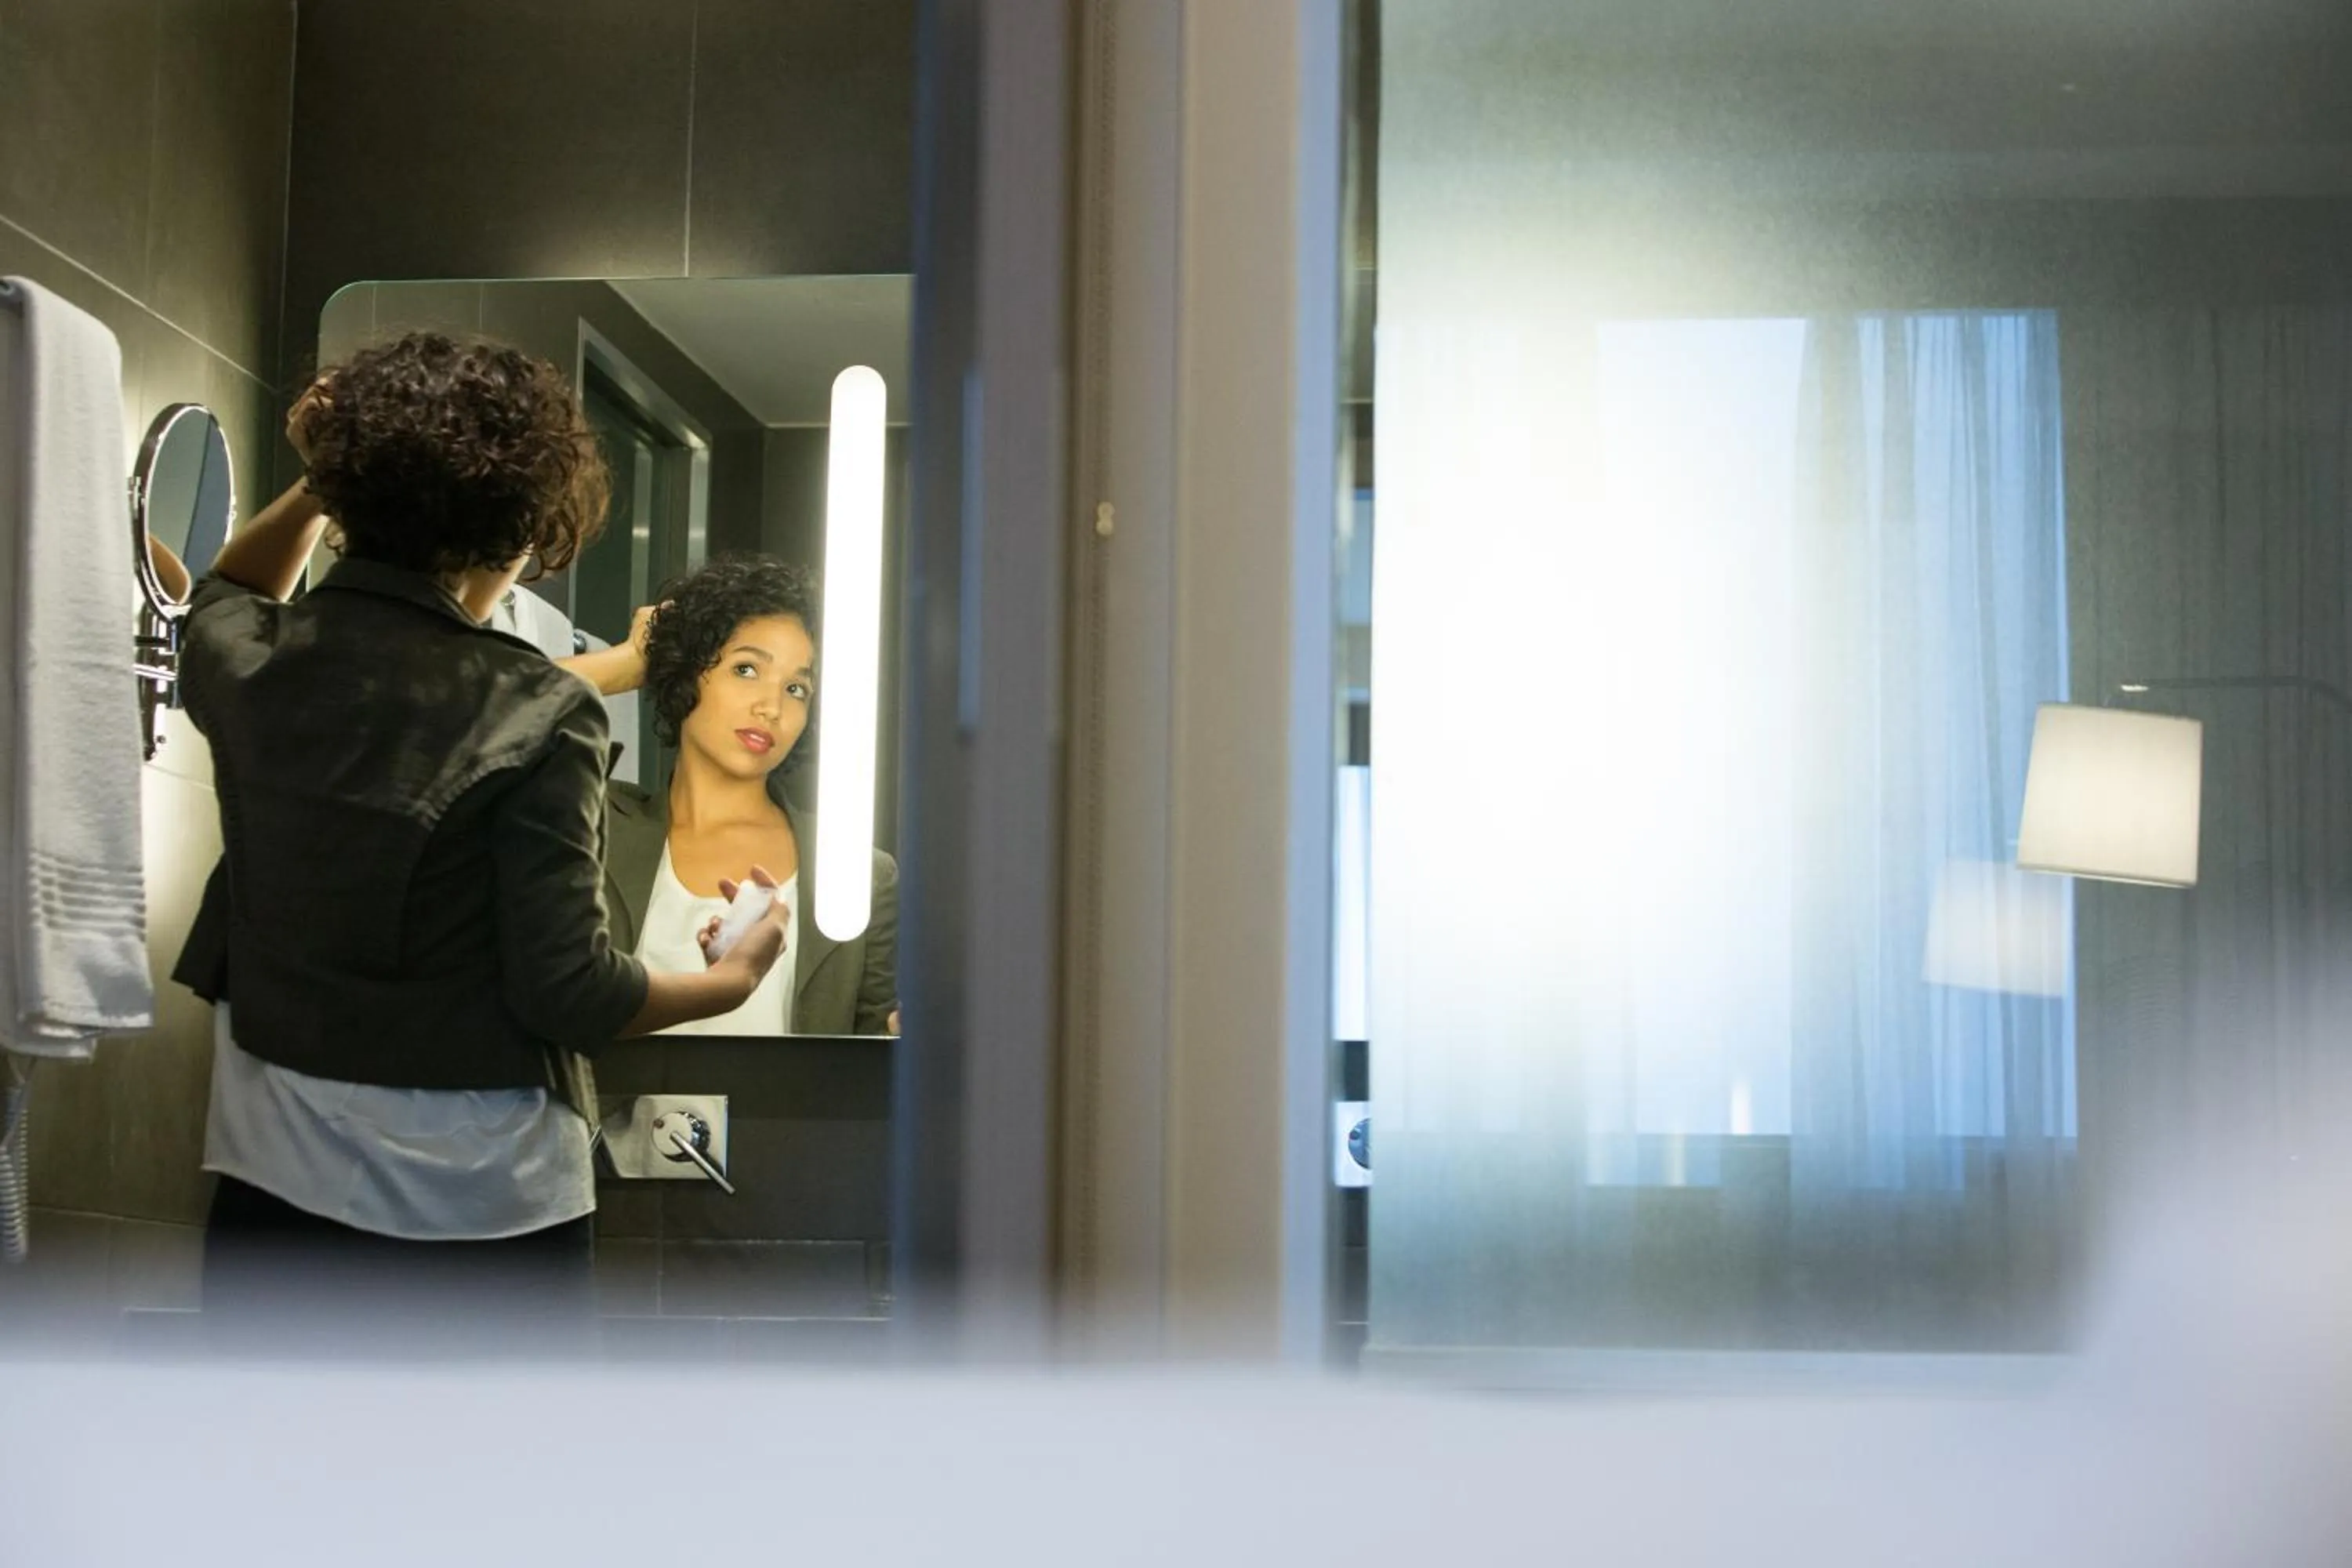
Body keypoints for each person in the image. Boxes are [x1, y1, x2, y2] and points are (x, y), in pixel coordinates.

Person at [172, 332, 790, 1347]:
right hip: (490, 1223)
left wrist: (331, 474)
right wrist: (725, 985)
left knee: (278, 1499)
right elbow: (568, 993)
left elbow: (228, 593)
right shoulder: (547, 710)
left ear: (347, 504)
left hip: (272, 1198)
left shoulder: (249, 662)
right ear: (521, 534)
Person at [559, 556, 898, 1036]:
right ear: (686, 670)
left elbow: (872, 1067)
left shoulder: (855, 875)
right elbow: (469, 727)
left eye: (798, 688)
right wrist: (625, 664)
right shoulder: (590, 826)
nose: (771, 706)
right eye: (745, 669)